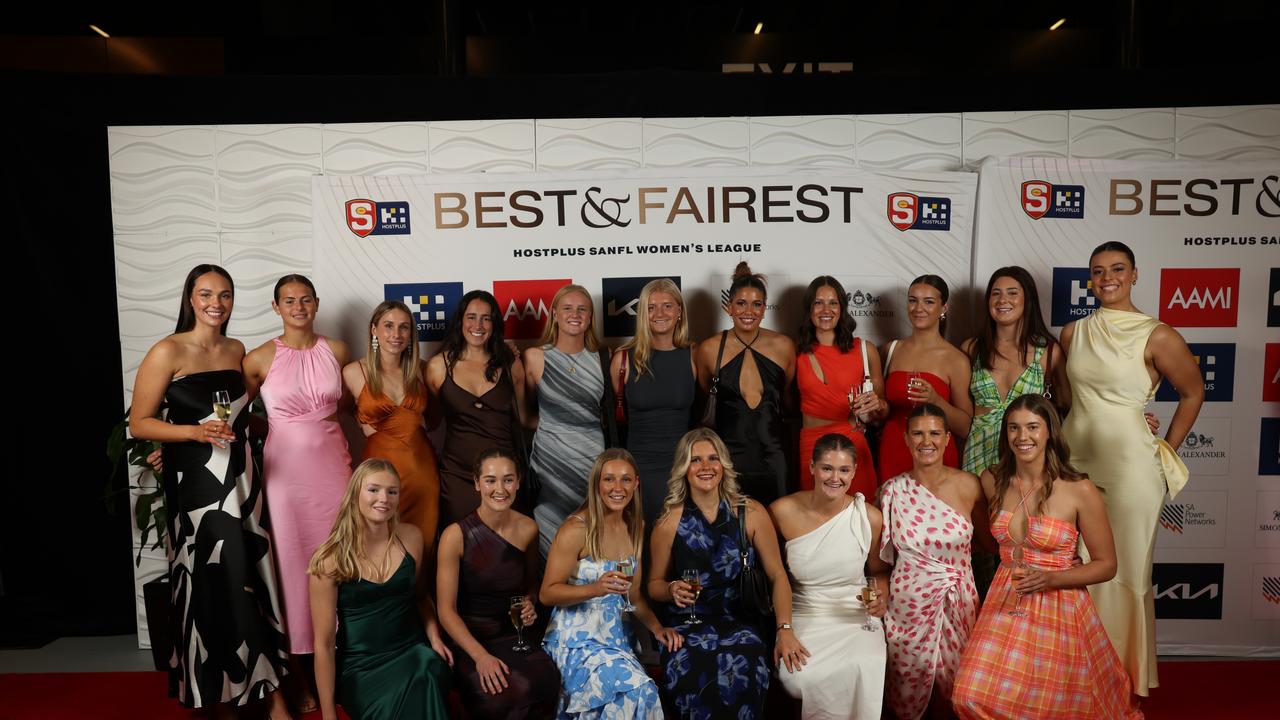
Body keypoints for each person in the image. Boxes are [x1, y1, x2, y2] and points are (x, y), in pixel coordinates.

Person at [128, 264, 289, 716]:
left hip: (241, 480)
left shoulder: (236, 349)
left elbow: (236, 417)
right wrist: (191, 436)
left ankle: (262, 689)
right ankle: (214, 689)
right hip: (198, 487)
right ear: (190, 298)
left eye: (224, 294)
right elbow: (141, 423)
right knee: (209, 583)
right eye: (205, 294)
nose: (215, 303)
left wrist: (293, 427)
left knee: (248, 580)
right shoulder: (167, 351)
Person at [1060, 241, 1203, 697]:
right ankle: (1075, 673)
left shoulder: (1158, 334)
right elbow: (1069, 400)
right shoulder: (1071, 333)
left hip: (1131, 467)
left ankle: (1120, 679)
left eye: (1117, 269)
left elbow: (1193, 392)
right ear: (1089, 278)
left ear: (1135, 274)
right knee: (1074, 564)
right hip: (1071, 461)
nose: (1107, 278)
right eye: (1098, 271)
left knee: (1125, 573)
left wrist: (1164, 451)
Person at [952, 394, 1142, 719]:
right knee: (968, 695)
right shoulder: (992, 481)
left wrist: (1052, 577)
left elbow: (1107, 565)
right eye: (1013, 428)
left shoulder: (1079, 490)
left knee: (1051, 708)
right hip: (1007, 596)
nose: (1022, 437)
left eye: (1032, 427)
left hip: (1061, 602)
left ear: (1049, 432)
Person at [242, 274, 352, 713]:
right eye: (289, 301)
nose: (299, 306)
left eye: (306, 299)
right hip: (284, 478)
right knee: (292, 572)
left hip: (334, 471)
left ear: (317, 303)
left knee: (342, 562)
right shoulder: (259, 357)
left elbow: (345, 406)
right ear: (276, 307)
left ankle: (342, 667)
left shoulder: (338, 351)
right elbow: (230, 415)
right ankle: (298, 674)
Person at [647, 428, 804, 718]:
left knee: (746, 668)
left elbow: (778, 577)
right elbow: (653, 584)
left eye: (713, 458)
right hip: (687, 624)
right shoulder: (669, 521)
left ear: (724, 465)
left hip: (741, 619)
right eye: (696, 460)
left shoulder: (751, 512)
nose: (706, 467)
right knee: (691, 673)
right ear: (684, 468)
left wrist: (784, 629)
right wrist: (670, 589)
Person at [540, 449, 680, 719]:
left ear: (636, 483)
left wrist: (657, 628)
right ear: (597, 484)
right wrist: (595, 588)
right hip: (575, 644)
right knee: (638, 691)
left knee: (636, 694)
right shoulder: (576, 528)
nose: (618, 488)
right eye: (609, 480)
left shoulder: (635, 525)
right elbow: (547, 593)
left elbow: (634, 595)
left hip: (616, 639)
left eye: (626, 480)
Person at [309, 459, 452, 720]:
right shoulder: (329, 560)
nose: (383, 498)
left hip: (413, 651)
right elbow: (324, 645)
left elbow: (421, 598)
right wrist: (329, 715)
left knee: (427, 668)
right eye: (373, 489)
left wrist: (434, 638)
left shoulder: (412, 538)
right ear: (355, 494)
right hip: (361, 669)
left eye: (392, 491)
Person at [879, 404, 990, 720]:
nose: (926, 441)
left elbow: (988, 543)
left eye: (934, 433)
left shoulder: (969, 485)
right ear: (906, 439)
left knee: (957, 692)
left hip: (959, 600)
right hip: (908, 605)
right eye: (917, 433)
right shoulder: (891, 491)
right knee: (906, 693)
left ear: (946, 440)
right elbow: (880, 563)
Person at [770, 433, 889, 720]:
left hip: (855, 613)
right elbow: (774, 576)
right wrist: (783, 628)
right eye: (827, 468)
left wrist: (881, 600)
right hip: (805, 611)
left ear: (854, 472)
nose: (835, 477)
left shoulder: (869, 517)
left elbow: (879, 572)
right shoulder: (781, 512)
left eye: (844, 470)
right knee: (800, 677)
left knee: (866, 663)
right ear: (812, 467)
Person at [435, 448, 559, 720]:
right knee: (497, 697)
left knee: (546, 680)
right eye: (490, 480)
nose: (500, 488)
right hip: (469, 639)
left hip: (512, 633)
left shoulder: (529, 528)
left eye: (508, 479)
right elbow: (445, 611)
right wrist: (481, 657)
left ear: (518, 482)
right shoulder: (454, 535)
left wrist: (530, 603)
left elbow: (531, 587)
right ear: (477, 483)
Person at [342, 301, 442, 557]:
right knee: (379, 544)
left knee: (423, 544)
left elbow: (435, 419)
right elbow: (335, 413)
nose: (396, 335)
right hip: (378, 472)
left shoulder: (421, 369)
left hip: (422, 472)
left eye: (403, 328)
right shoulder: (354, 371)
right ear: (374, 329)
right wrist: (364, 421)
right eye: (388, 326)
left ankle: (421, 597)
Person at [695, 262, 796, 507]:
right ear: (728, 307)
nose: (748, 311)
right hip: (728, 458)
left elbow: (788, 402)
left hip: (775, 457)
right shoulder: (709, 349)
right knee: (731, 529)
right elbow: (703, 399)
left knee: (777, 528)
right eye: (741, 303)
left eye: (756, 304)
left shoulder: (784, 346)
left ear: (764, 308)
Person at [426, 290, 526, 528]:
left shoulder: (511, 364)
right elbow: (430, 421)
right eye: (471, 317)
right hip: (457, 476)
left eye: (486, 318)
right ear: (461, 321)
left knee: (505, 549)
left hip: (504, 476)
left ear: (494, 324)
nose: (478, 325)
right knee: (459, 543)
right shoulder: (438, 366)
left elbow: (525, 418)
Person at [524, 284, 612, 554]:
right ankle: (551, 595)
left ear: (590, 317)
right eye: (568, 308)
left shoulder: (603, 358)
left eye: (582, 309)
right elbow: (525, 416)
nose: (575, 314)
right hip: (549, 464)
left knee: (591, 533)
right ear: (555, 314)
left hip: (592, 460)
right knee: (549, 532)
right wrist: (557, 427)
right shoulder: (535, 357)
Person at [610, 278, 698, 526]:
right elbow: (611, 421)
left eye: (667, 306)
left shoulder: (694, 355)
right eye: (651, 307)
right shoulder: (623, 360)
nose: (659, 313)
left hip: (684, 468)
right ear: (642, 314)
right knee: (643, 539)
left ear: (679, 311)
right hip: (639, 469)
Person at [795, 276, 886, 498]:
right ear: (809, 308)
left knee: (858, 514)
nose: (826, 309)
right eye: (818, 302)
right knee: (815, 518)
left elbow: (882, 412)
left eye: (833, 303)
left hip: (851, 442)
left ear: (842, 308)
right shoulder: (795, 352)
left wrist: (877, 405)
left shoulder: (864, 349)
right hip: (812, 444)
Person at [878, 274, 973, 482]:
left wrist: (936, 401)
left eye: (928, 302)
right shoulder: (891, 350)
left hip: (935, 455)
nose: (918, 308)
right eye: (913, 300)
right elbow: (881, 411)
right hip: (894, 448)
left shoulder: (956, 359)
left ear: (943, 308)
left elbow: (965, 427)